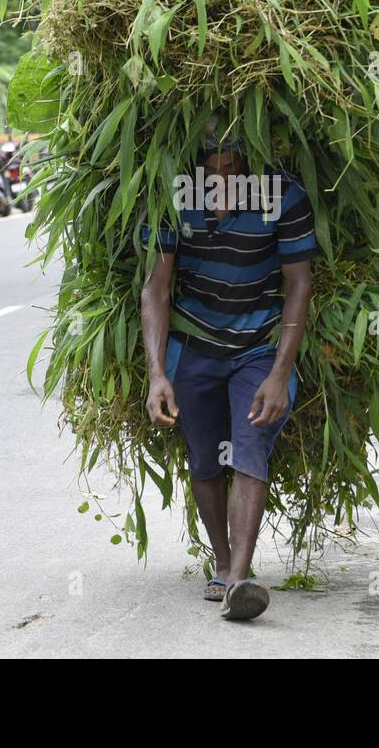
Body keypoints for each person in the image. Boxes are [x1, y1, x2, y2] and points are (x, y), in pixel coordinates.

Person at [140, 132, 316, 621]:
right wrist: (158, 374)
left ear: (248, 157)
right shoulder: (175, 195)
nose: (220, 175)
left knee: (250, 446)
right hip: (192, 348)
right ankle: (221, 560)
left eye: (231, 163)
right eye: (210, 164)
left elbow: (299, 283)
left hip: (257, 349)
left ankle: (240, 578)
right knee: (204, 459)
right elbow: (156, 286)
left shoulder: (283, 196)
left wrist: (280, 373)